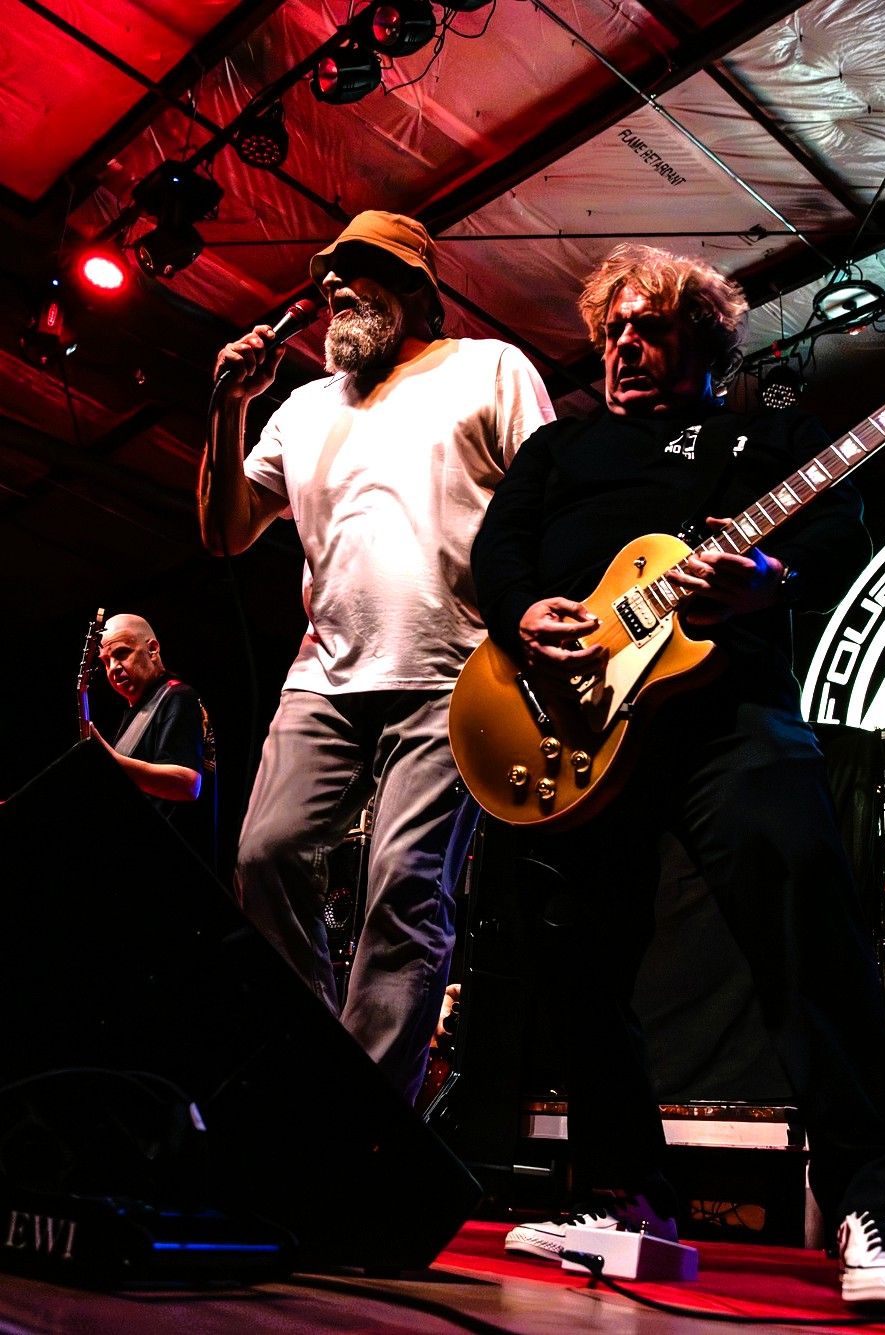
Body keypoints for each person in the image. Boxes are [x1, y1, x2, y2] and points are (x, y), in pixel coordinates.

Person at [469, 244, 885, 1313]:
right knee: (578, 962)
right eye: (610, 330)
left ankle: (880, 1201)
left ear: (706, 340)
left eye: (647, 327)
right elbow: (496, 554)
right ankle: (622, 1195)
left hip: (727, 710)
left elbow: (836, 526)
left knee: (804, 923)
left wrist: (773, 577)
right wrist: (521, 611)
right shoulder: (558, 448)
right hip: (578, 727)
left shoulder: (762, 442)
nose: (623, 345)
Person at [197, 210, 554, 1104]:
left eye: (356, 268)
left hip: (452, 672)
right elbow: (225, 531)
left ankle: (360, 1122)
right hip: (324, 676)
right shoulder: (303, 409)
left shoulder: (489, 368)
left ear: (415, 290)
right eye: (328, 273)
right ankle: (324, 1074)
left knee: (403, 889)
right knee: (264, 856)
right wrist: (229, 408)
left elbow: (548, 505)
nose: (331, 284)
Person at [92, 613, 216, 864]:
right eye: (106, 661)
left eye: (122, 653)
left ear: (152, 649)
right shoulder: (134, 714)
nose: (113, 667)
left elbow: (187, 784)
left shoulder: (177, 697)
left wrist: (109, 759)